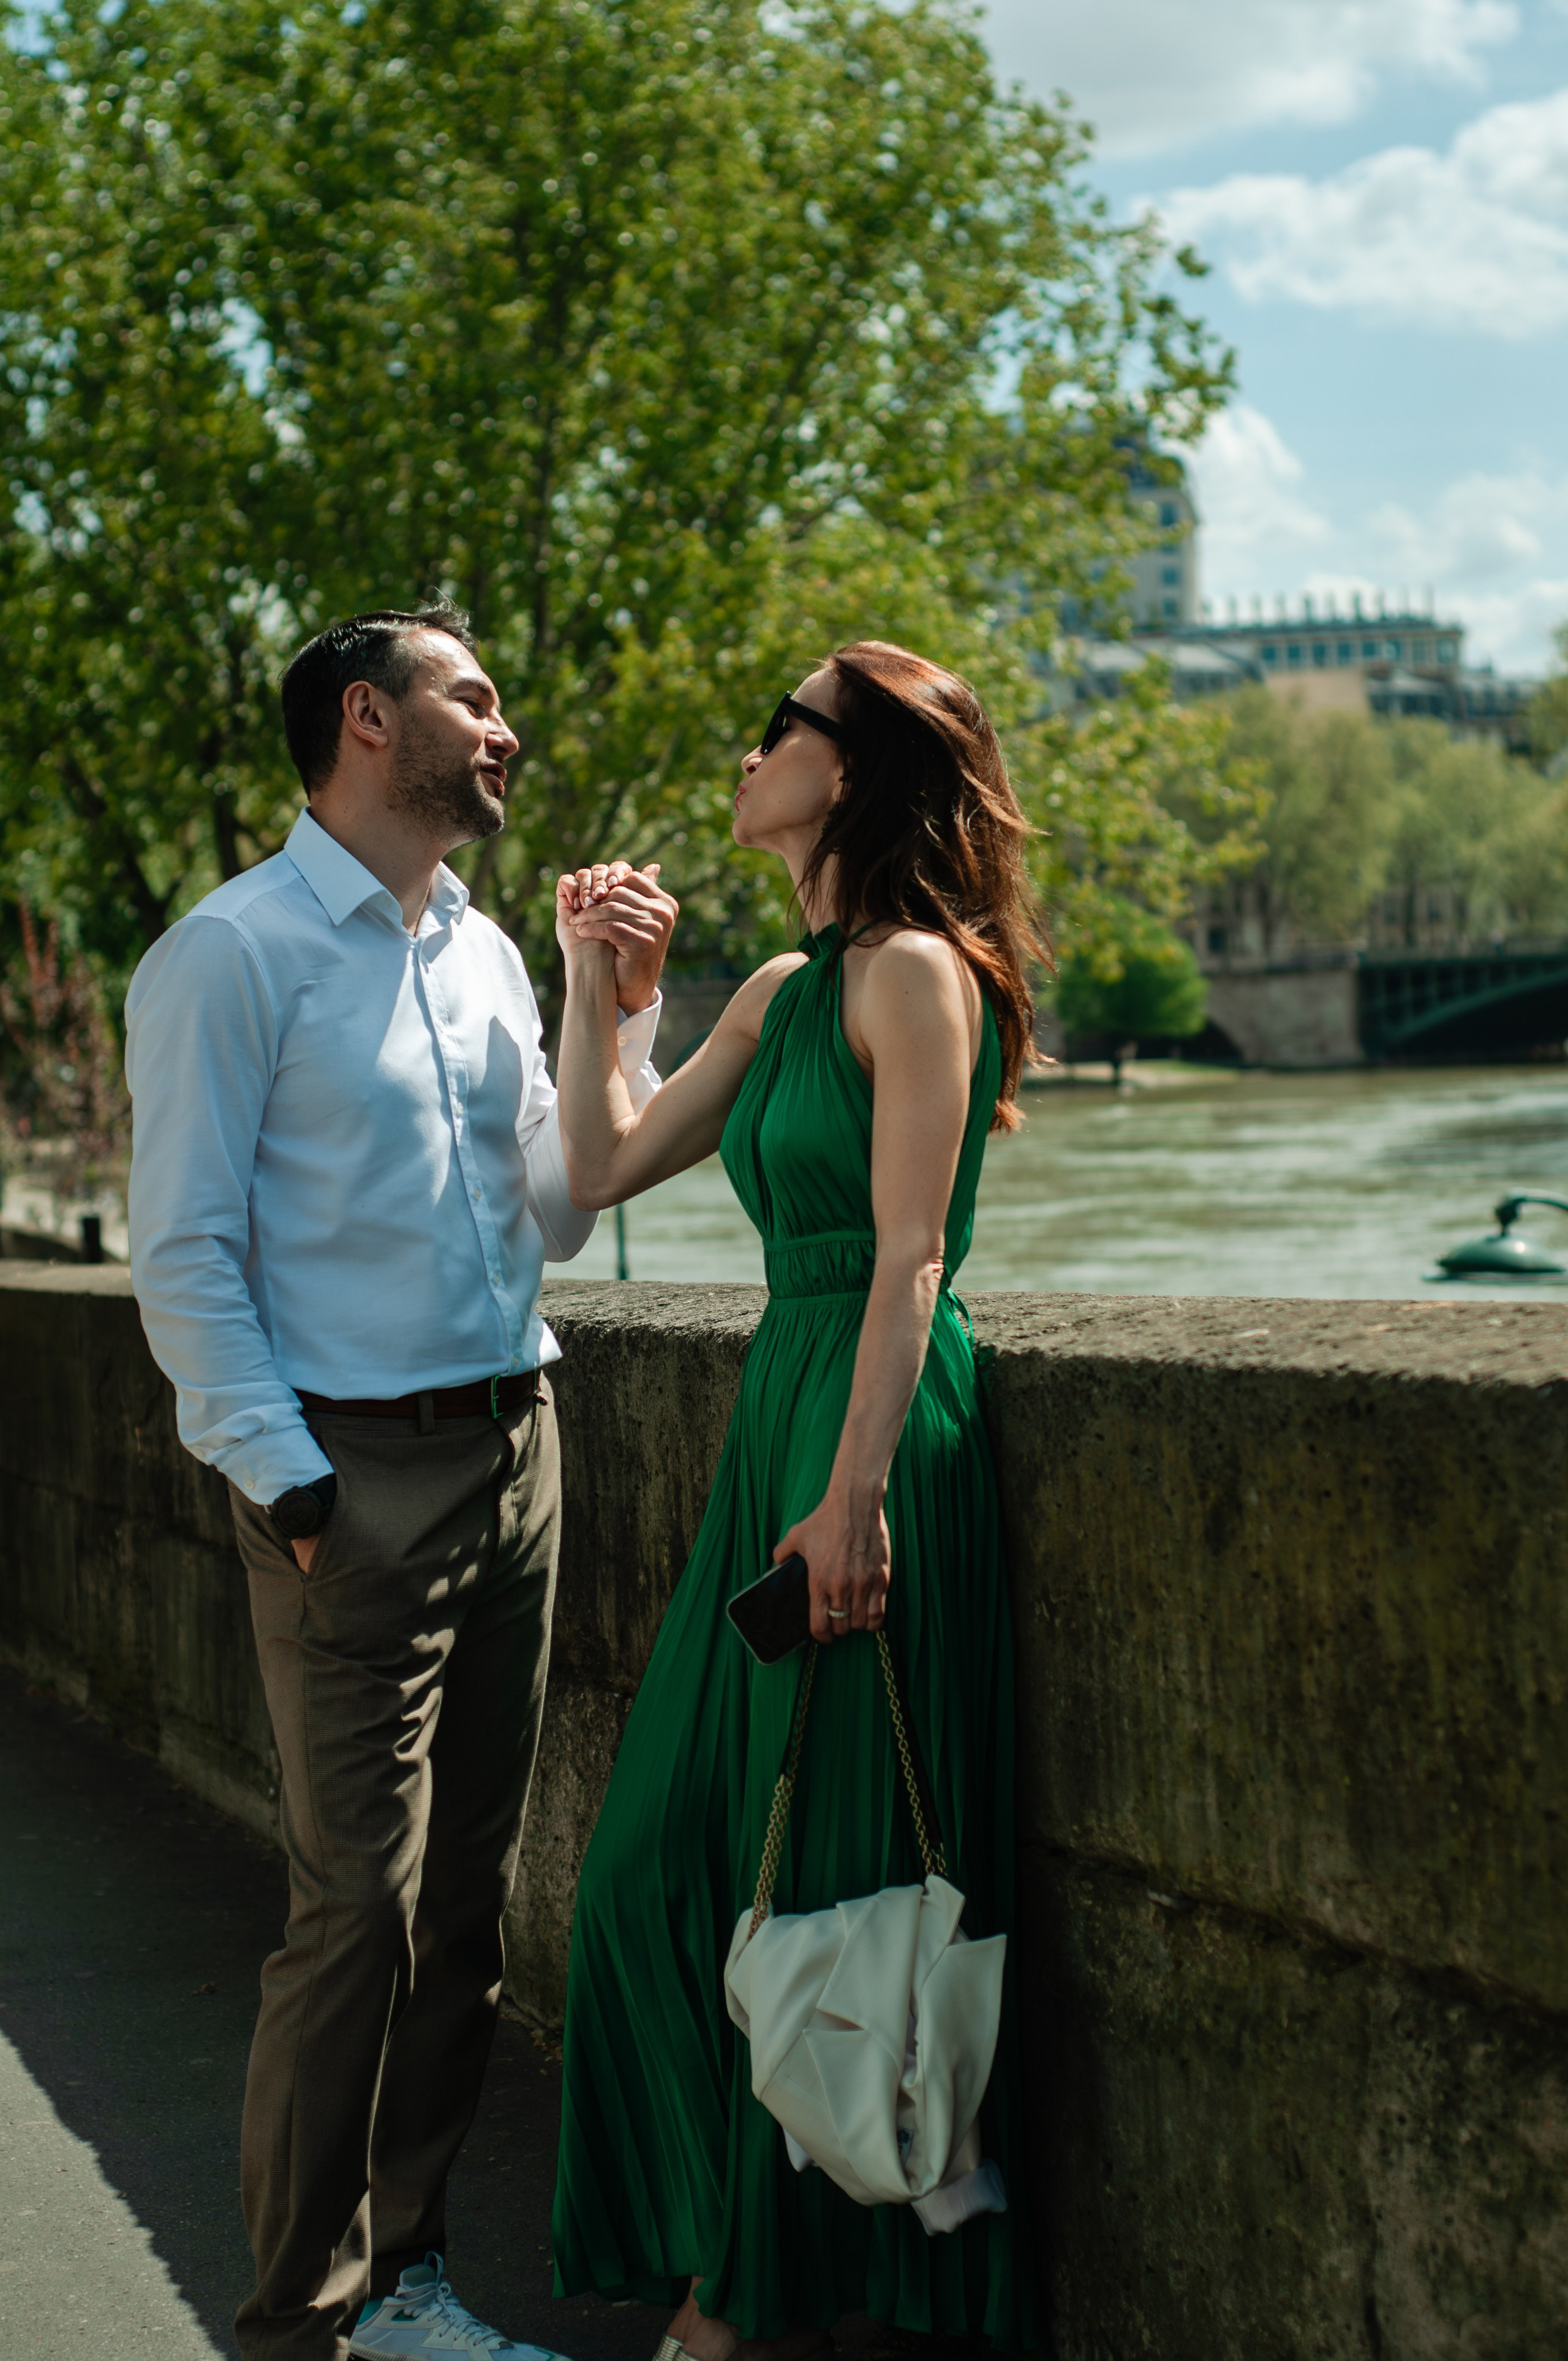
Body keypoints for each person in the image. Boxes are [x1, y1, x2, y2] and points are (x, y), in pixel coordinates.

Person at [124, 603, 677, 2361]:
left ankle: (416, 2280)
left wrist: (612, 1010)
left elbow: (564, 1207)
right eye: (475, 697)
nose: (504, 729)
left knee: (470, 1901)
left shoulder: (490, 949)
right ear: (370, 720)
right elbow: (186, 1255)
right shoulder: (233, 952)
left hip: (519, 1440)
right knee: (352, 1909)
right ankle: (300, 2324)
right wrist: (290, 1485)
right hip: (344, 1476)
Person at [548, 641, 1042, 2357]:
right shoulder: (775, 984)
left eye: (784, 726)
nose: (750, 749)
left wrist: (855, 1496)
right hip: (783, 1407)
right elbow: (599, 1168)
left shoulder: (915, 972)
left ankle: (735, 2309)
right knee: (646, 1875)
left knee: (831, 1878)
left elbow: (913, 1256)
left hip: (874, 1432)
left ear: (855, 771)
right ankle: (738, 2271)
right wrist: (600, 985)